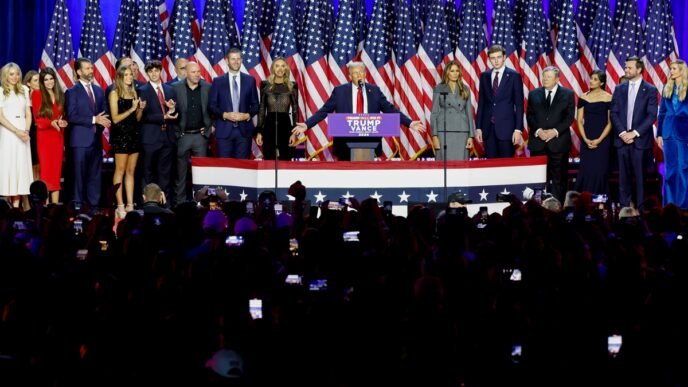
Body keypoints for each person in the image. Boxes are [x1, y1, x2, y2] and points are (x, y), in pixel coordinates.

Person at [293, 61, 425, 161]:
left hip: (369, 142)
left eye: (362, 72)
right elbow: (323, 111)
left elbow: (390, 110)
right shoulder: (340, 92)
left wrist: (410, 123)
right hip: (345, 143)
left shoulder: (374, 91)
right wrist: (306, 124)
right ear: (350, 76)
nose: (359, 75)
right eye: (355, 73)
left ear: (365, 74)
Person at [610, 56, 659, 207]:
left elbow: (651, 115)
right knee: (623, 178)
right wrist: (623, 133)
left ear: (639, 69)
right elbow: (614, 113)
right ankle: (625, 209)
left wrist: (634, 133)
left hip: (640, 141)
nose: (626, 70)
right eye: (625, 67)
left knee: (640, 178)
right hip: (622, 139)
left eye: (629, 67)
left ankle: (641, 209)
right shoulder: (619, 88)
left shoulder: (650, 89)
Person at [65, 58, 111, 210]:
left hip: (95, 141)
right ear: (78, 72)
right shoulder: (72, 92)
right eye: (87, 68)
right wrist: (94, 119)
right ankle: (78, 206)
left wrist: (103, 119)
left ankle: (94, 207)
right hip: (79, 142)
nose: (91, 71)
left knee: (95, 176)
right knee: (79, 176)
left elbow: (104, 111)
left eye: (91, 68)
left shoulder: (98, 90)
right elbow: (71, 116)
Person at [527, 66, 575, 202]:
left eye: (549, 77)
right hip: (538, 143)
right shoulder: (533, 94)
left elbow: (569, 117)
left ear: (557, 79)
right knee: (538, 179)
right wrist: (538, 131)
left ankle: (557, 207)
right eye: (544, 76)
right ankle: (539, 206)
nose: (545, 79)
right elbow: (530, 116)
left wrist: (554, 131)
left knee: (558, 178)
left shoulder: (568, 94)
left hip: (558, 144)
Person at [172, 61, 212, 204]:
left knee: (201, 173)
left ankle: (200, 202)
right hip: (182, 136)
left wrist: (210, 127)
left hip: (200, 136)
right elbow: (171, 111)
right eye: (193, 72)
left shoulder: (207, 87)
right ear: (186, 73)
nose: (196, 75)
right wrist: (176, 132)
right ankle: (180, 203)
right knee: (180, 173)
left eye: (198, 72)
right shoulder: (175, 88)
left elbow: (213, 109)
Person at [475, 45, 524, 158]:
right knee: (490, 165)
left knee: (506, 166)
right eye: (493, 58)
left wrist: (518, 129)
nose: (496, 61)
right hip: (488, 128)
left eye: (498, 57)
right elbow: (481, 103)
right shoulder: (484, 76)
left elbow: (519, 105)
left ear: (504, 57)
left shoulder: (514, 76)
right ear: (489, 59)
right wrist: (478, 128)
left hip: (507, 129)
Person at [209, 48, 259, 158]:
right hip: (224, 131)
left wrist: (247, 115)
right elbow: (212, 106)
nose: (236, 62)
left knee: (243, 167)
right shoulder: (218, 81)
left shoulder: (250, 80)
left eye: (238, 59)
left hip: (244, 132)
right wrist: (225, 115)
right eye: (233, 59)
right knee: (225, 167)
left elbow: (256, 105)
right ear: (227, 61)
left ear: (241, 60)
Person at [139, 60, 178, 200]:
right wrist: (163, 116)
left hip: (167, 138)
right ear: (147, 73)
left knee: (165, 173)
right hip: (150, 138)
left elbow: (176, 113)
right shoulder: (142, 91)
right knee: (148, 172)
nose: (154, 74)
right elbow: (142, 116)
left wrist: (172, 108)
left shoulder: (170, 89)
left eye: (156, 70)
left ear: (161, 71)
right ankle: (148, 202)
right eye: (151, 71)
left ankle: (164, 202)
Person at [109, 64, 145, 217]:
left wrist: (140, 109)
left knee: (131, 171)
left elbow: (136, 119)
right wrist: (131, 109)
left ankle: (130, 205)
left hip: (134, 135)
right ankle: (120, 205)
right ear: (120, 77)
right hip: (120, 136)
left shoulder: (134, 92)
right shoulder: (114, 93)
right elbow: (115, 119)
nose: (131, 77)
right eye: (127, 75)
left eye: (131, 74)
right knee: (120, 170)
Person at [32, 67, 67, 204]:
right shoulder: (37, 94)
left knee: (56, 173)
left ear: (55, 79)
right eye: (45, 79)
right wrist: (50, 123)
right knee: (46, 172)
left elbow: (63, 117)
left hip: (57, 136)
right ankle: (44, 207)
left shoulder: (60, 94)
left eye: (51, 78)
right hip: (45, 137)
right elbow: (37, 119)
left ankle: (55, 207)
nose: (49, 82)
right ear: (42, 81)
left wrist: (63, 122)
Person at [574, 70, 612, 196]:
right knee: (586, 170)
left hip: (603, 138)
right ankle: (584, 201)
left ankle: (600, 202)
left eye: (595, 79)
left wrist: (599, 140)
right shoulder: (583, 97)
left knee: (600, 171)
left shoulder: (609, 97)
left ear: (601, 82)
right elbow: (579, 120)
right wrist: (585, 139)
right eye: (591, 78)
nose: (591, 81)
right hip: (587, 137)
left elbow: (610, 122)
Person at [0, 63, 33, 208]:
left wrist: (26, 131)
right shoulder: (1, 91)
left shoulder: (24, 90)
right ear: (5, 76)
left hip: (23, 134)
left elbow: (28, 114)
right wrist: (16, 131)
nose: (15, 77)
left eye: (17, 74)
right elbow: (0, 117)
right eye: (11, 74)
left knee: (22, 166)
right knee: (10, 166)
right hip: (9, 133)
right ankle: (9, 206)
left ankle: (18, 204)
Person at [657, 59, 688, 208]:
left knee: (683, 168)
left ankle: (683, 205)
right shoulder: (666, 88)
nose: (672, 71)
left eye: (674, 68)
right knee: (670, 170)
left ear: (682, 70)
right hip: (668, 133)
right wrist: (659, 134)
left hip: (683, 134)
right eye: (671, 68)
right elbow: (662, 113)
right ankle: (669, 205)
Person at [430, 60, 475, 161]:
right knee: (444, 167)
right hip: (444, 132)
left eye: (457, 71)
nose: (455, 74)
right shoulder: (439, 88)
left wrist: (471, 136)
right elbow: (434, 113)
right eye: (452, 71)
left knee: (461, 167)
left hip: (462, 132)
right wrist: (434, 135)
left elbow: (469, 113)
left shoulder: (465, 89)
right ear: (447, 72)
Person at [256, 57, 298, 160]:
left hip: (285, 126)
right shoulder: (265, 86)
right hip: (269, 125)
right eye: (277, 66)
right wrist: (259, 132)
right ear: (273, 68)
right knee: (269, 159)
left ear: (286, 69)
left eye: (283, 66)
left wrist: (294, 133)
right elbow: (261, 109)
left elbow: (295, 110)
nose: (280, 68)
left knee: (286, 159)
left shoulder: (292, 86)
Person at [23, 70, 40, 181]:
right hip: (28, 133)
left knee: (38, 164)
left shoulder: (44, 96)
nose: (39, 82)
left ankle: (37, 191)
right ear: (28, 83)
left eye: (39, 80)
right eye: (35, 80)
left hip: (40, 133)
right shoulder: (24, 97)